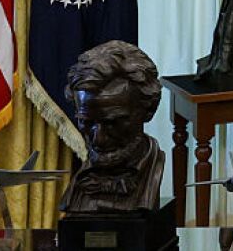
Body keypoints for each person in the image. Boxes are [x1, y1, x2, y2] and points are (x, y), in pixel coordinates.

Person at [60, 41, 166, 214]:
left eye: (114, 123)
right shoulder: (80, 183)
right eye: (87, 122)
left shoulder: (153, 170)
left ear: (149, 110)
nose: (99, 139)